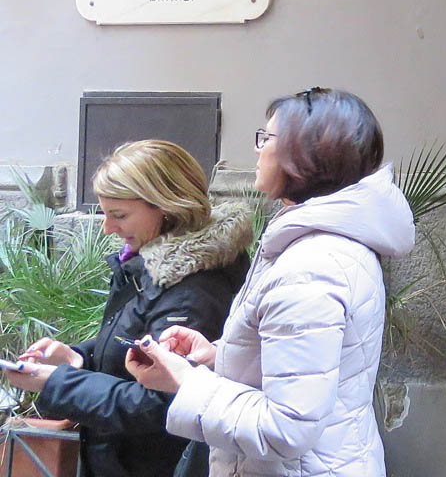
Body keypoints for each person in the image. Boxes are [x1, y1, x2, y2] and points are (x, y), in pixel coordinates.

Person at [126, 87, 415, 477]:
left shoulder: (311, 268)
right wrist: (218, 356)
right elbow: (307, 368)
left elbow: (286, 429)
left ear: (305, 156)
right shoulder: (323, 243)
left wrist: (185, 381)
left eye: (267, 138)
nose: (258, 149)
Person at [4, 140, 254, 477]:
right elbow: (131, 345)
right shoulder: (150, 264)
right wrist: (79, 357)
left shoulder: (196, 289)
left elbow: (157, 404)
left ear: (167, 207)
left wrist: (56, 383)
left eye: (119, 215)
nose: (108, 228)